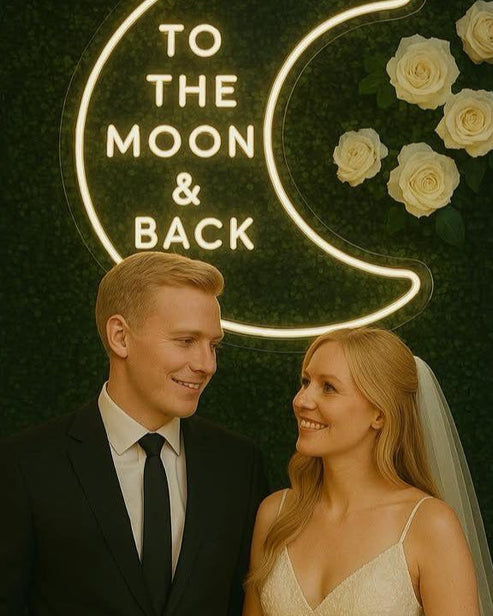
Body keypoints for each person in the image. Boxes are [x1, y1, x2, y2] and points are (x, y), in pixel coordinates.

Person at [1, 251, 268, 616]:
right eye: (186, 340)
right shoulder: (25, 466)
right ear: (120, 337)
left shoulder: (238, 465)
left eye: (213, 345)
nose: (206, 364)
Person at [243, 327, 493, 616]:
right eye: (306, 381)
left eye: (328, 387)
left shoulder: (429, 525)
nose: (301, 400)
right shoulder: (276, 514)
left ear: (379, 414)